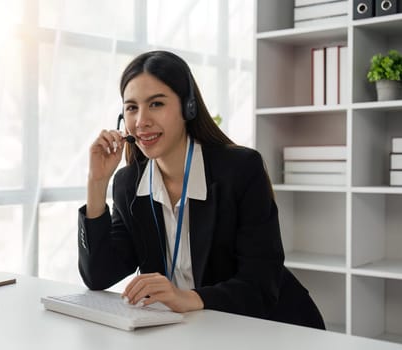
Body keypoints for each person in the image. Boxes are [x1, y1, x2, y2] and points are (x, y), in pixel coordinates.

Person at [78, 50, 325, 329]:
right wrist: (96, 184)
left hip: (272, 327)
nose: (141, 120)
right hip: (195, 330)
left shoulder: (240, 170)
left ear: (188, 108)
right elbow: (98, 276)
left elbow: (260, 285)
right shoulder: (129, 183)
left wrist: (187, 297)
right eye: (132, 107)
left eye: (156, 104)